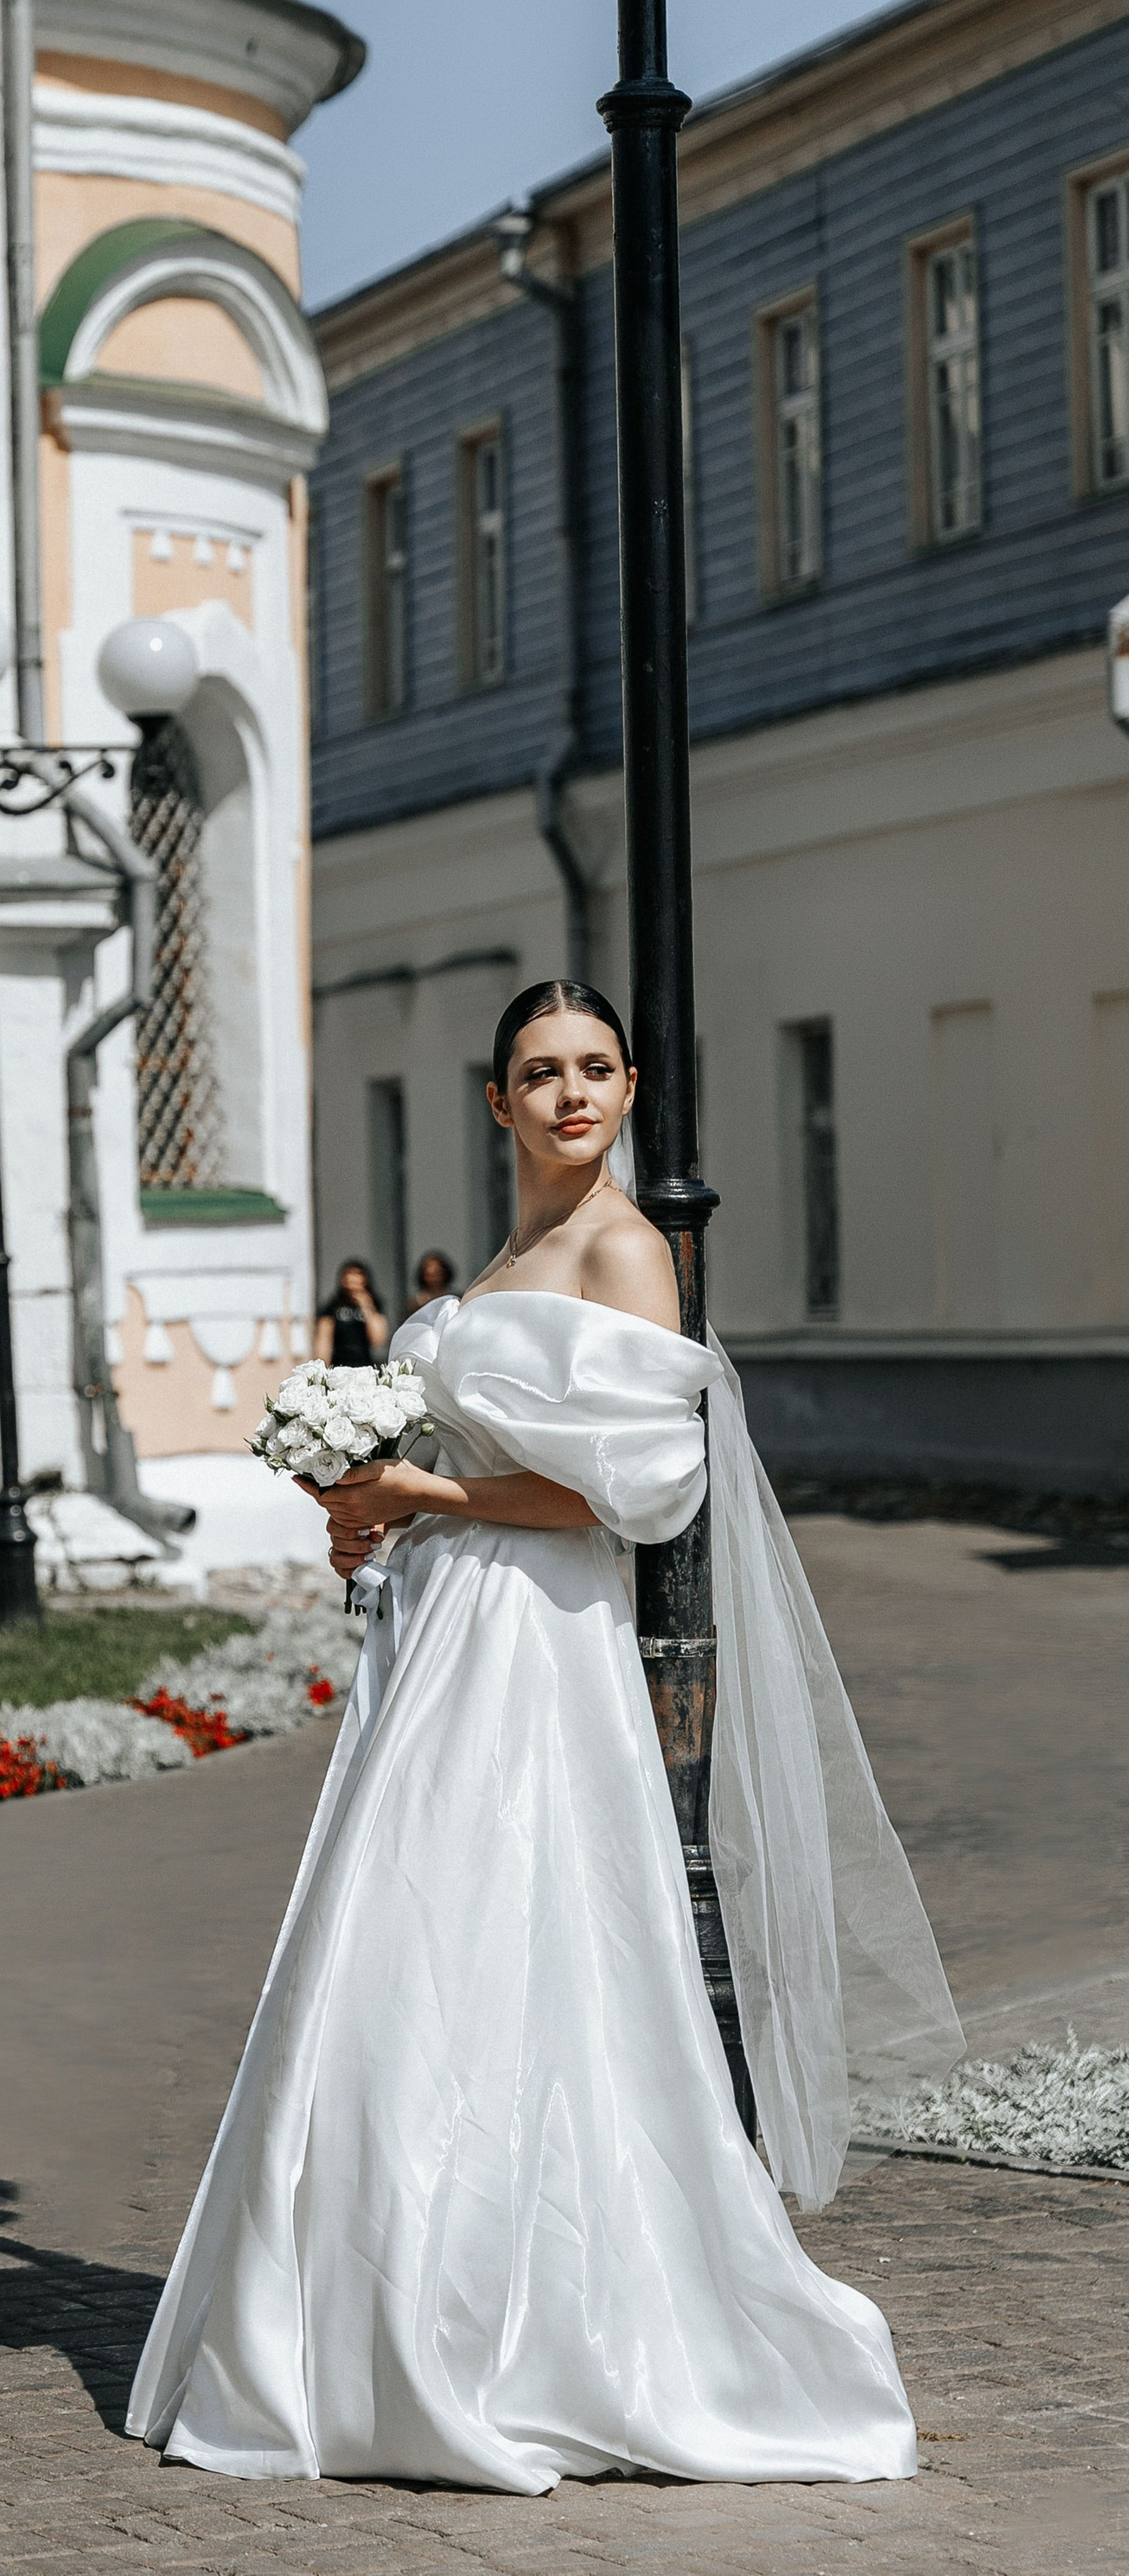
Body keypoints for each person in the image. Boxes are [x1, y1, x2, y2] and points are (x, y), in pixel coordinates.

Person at [128, 977, 961, 2495]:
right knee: (401, 1949)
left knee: (514, 1939)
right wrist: (371, 1523)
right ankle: (385, 2313)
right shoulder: (512, 1254)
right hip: (447, 1633)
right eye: (538, 1072)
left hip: (540, 1644)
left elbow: (634, 1497)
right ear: (495, 1100)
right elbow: (477, 1459)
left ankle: (512, 2329)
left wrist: (426, 1496)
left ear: (631, 1090)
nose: (571, 1095)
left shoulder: (626, 1250)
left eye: (595, 1070)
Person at [313, 1258, 388, 1367]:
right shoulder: (333, 1306)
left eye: (358, 1275)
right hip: (339, 1364)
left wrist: (367, 1306)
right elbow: (324, 1339)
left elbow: (378, 1340)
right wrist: (322, 1366)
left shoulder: (373, 1305)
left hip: (364, 1365)